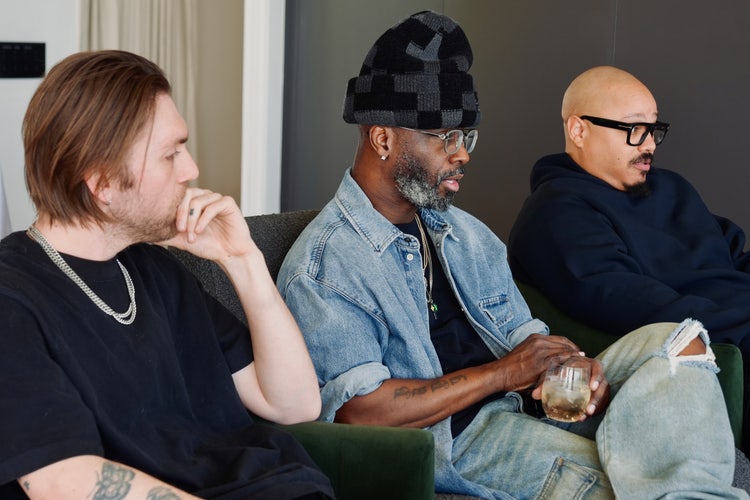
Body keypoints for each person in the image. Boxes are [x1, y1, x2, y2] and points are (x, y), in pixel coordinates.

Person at [277, 11, 747, 499]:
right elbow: (359, 411)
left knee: (680, 340)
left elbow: (523, 335)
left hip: (528, 405)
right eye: (447, 138)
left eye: (467, 137)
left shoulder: (465, 234)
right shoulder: (328, 264)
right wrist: (503, 374)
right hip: (465, 439)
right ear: (383, 138)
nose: (463, 154)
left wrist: (567, 362)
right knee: (623, 479)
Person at [0, 50, 334, 499]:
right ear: (102, 184)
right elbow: (63, 481)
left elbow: (294, 404)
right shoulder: (12, 300)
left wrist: (242, 260)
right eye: (170, 154)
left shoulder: (157, 271)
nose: (192, 169)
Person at [507, 66, 750, 448]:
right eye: (634, 128)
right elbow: (633, 305)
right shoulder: (555, 213)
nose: (649, 144)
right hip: (711, 340)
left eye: (654, 129)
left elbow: (732, 255)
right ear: (579, 130)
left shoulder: (671, 187)